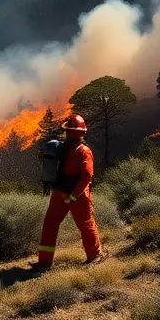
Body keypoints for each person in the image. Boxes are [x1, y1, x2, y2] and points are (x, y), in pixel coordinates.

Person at [36, 114, 104, 268]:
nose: (67, 133)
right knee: (85, 223)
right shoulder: (82, 150)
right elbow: (87, 175)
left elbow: (85, 175)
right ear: (82, 131)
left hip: (62, 192)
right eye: (68, 130)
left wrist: (70, 194)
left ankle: (44, 261)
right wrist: (74, 195)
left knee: (51, 224)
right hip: (74, 195)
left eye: (69, 130)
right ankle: (94, 256)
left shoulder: (66, 148)